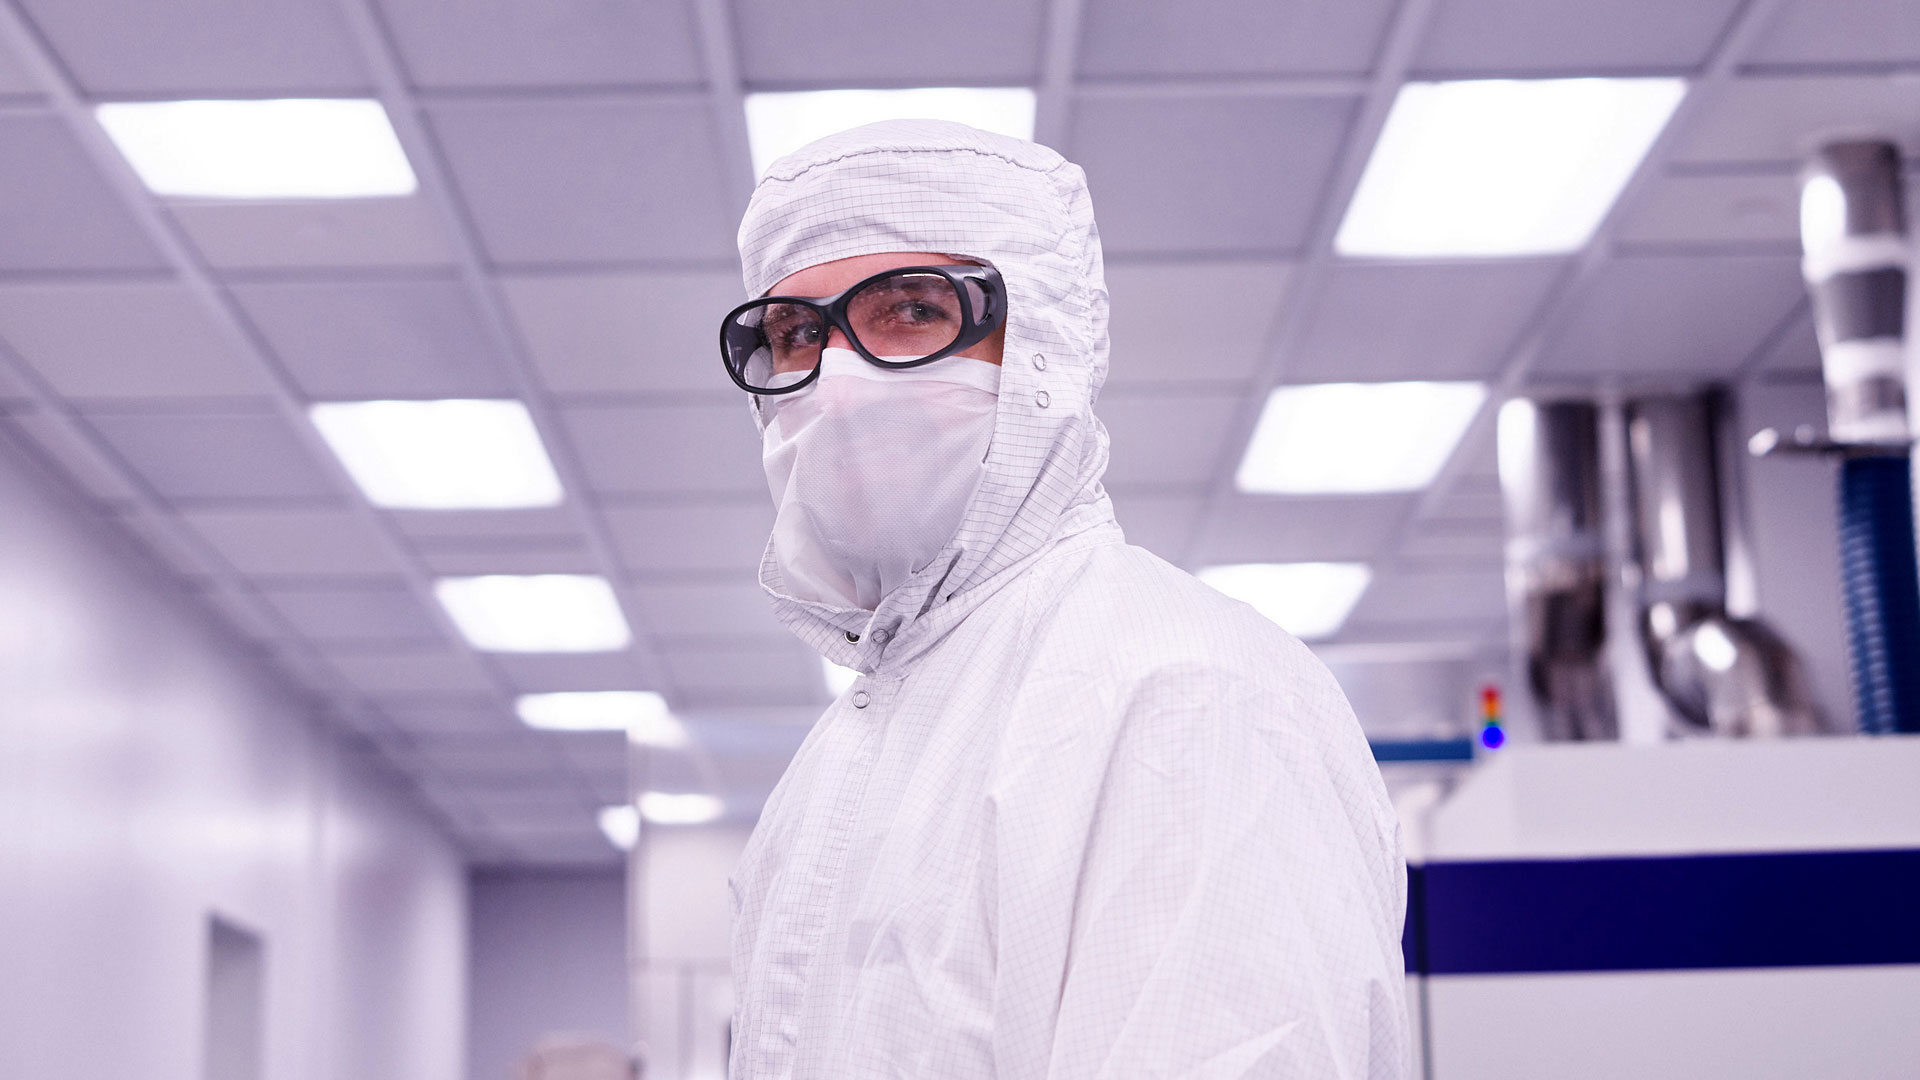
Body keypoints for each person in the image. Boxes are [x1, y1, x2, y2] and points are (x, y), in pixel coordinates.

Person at [719, 119, 1410, 1078]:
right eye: (796, 335)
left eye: (912, 311)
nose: (836, 384)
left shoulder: (1185, 694)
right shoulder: (844, 758)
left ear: (1040, 344)